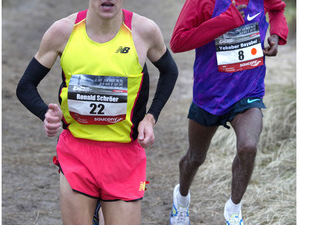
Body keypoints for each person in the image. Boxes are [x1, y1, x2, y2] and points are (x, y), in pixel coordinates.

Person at [16, 0, 178, 224]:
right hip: (77, 152)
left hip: (125, 156)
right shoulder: (63, 31)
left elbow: (170, 71)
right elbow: (25, 86)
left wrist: (150, 118)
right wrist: (46, 114)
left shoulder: (144, 31)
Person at [168, 0, 288, 224]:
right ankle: (181, 198)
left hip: (248, 90)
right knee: (195, 158)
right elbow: (178, 41)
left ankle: (234, 210)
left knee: (248, 146)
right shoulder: (202, 2)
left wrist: (277, 35)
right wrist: (225, 21)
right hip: (210, 94)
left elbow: (277, 9)